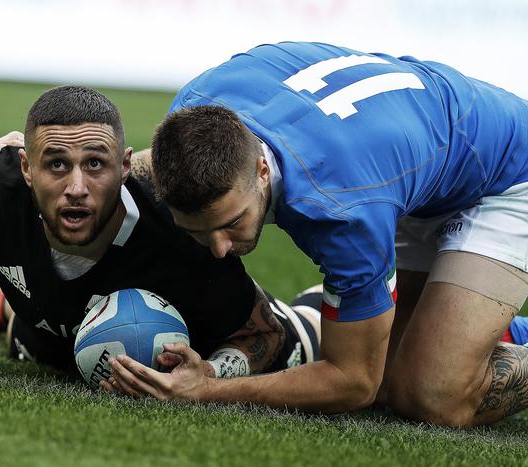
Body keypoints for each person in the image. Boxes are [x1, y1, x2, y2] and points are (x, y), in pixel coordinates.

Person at [108, 41, 528, 427]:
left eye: (231, 223)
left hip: (507, 173)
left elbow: (353, 381)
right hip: (404, 163)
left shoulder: (339, 212)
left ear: (261, 171)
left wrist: (206, 390)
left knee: (430, 395)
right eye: (197, 231)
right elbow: (139, 169)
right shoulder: (191, 118)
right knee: (394, 366)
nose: (220, 249)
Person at [0, 85, 319, 381]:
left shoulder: (180, 235)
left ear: (126, 166)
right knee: (33, 327)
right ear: (27, 167)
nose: (76, 188)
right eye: (55, 164)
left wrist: (212, 375)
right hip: (49, 332)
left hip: (237, 336)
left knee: (308, 337)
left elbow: (265, 333)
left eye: (95, 164)